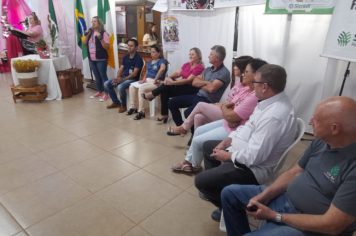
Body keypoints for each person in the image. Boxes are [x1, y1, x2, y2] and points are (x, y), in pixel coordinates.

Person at [221, 96, 356, 236]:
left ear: (334, 129)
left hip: (311, 228)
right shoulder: (322, 141)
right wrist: (265, 195)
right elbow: (295, 173)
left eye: (316, 119)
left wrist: (274, 216)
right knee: (229, 194)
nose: (310, 122)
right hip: (285, 201)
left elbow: (332, 225)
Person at [195, 64, 297, 222]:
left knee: (200, 181)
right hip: (242, 153)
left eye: (254, 82)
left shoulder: (274, 116)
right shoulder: (266, 101)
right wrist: (227, 141)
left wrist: (228, 156)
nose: (251, 85)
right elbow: (247, 127)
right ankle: (218, 190)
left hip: (252, 169)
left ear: (264, 86)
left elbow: (254, 158)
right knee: (209, 146)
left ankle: (231, 205)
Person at [170, 58, 266, 173]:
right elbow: (196, 83)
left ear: (256, 75)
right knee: (198, 118)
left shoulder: (251, 93)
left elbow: (214, 92)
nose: (235, 68)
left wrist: (228, 113)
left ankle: (192, 161)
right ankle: (192, 156)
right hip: (227, 119)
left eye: (245, 71)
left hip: (233, 127)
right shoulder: (243, 87)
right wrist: (228, 112)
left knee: (200, 106)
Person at [166, 55, 252, 138]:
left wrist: (203, 83)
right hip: (201, 96)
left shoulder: (224, 72)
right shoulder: (208, 69)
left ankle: (184, 128)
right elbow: (194, 82)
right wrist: (208, 83)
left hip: (210, 100)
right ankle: (194, 143)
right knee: (194, 115)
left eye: (211, 54)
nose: (208, 56)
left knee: (198, 106)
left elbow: (212, 89)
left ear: (217, 57)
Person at [142, 47, 205, 123]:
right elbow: (178, 73)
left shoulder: (200, 67)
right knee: (165, 91)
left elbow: (188, 80)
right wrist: (169, 77)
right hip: (182, 86)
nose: (190, 56)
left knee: (169, 85)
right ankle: (164, 114)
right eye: (190, 54)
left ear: (198, 56)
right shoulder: (187, 64)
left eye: (193, 54)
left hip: (191, 88)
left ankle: (152, 94)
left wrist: (172, 82)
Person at [127, 44, 168, 120]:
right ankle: (133, 107)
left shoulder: (162, 61)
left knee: (142, 89)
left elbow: (162, 69)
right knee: (132, 86)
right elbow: (147, 71)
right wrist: (143, 79)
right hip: (148, 81)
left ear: (159, 53)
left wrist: (155, 79)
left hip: (157, 82)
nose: (151, 54)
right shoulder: (150, 61)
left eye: (153, 52)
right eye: (151, 52)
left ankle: (141, 111)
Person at [104, 39, 143, 113]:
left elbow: (134, 74)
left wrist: (122, 80)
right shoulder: (125, 56)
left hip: (133, 79)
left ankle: (123, 104)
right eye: (128, 45)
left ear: (136, 47)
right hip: (124, 77)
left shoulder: (138, 58)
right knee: (106, 84)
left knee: (120, 86)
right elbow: (121, 69)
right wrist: (118, 77)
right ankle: (116, 102)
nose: (129, 47)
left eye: (131, 46)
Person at [83, 16, 110, 102]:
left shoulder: (103, 33)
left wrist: (101, 39)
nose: (93, 23)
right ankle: (99, 92)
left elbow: (107, 47)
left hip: (101, 59)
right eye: (92, 21)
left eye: (95, 21)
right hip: (92, 59)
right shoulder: (90, 33)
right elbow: (84, 44)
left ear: (99, 23)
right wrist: (86, 35)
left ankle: (106, 94)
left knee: (103, 76)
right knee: (97, 77)